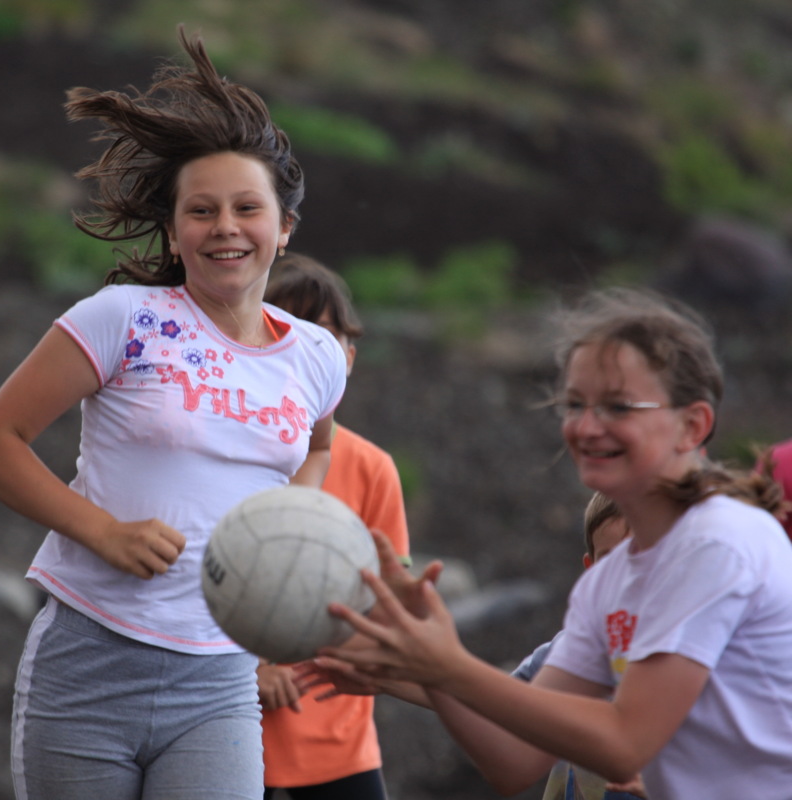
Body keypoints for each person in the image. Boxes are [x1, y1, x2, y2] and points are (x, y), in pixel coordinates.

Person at [0, 28, 348, 800]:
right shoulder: (122, 318)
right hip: (89, 664)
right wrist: (101, 530)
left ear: (285, 228)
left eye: (247, 208)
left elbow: (320, 442)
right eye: (201, 211)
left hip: (220, 678)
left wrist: (285, 532)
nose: (225, 227)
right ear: (174, 231)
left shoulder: (317, 355)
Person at [310, 287, 792, 800]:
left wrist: (448, 665)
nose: (586, 426)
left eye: (617, 406)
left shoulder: (716, 541)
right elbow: (515, 760)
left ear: (692, 424)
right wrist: (427, 666)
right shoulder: (608, 581)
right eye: (575, 404)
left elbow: (624, 744)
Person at [257, 252, 412, 800]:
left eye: (321, 336)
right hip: (230, 735)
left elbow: (389, 597)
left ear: (348, 355)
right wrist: (251, 669)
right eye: (284, 329)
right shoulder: (230, 454)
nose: (303, 348)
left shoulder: (372, 467)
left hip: (339, 744)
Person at [512, 492, 646, 800]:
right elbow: (494, 701)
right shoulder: (570, 650)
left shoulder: (687, 656)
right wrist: (406, 675)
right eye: (609, 558)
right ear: (591, 568)